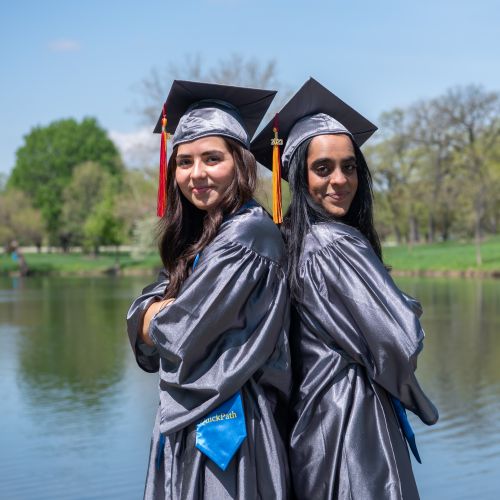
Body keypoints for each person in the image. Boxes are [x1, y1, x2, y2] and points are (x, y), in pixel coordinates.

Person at [252, 78, 439, 500]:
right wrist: (406, 306)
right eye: (323, 168)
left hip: (311, 427)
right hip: (354, 425)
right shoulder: (336, 243)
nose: (340, 180)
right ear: (299, 176)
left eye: (349, 166)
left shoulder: (293, 243)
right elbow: (401, 337)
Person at [127, 80, 292, 500]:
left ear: (239, 164)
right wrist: (153, 311)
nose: (195, 174)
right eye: (184, 162)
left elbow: (178, 333)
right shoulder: (205, 235)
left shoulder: (247, 235)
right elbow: (160, 312)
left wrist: (150, 314)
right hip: (196, 414)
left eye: (212, 159)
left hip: (231, 430)